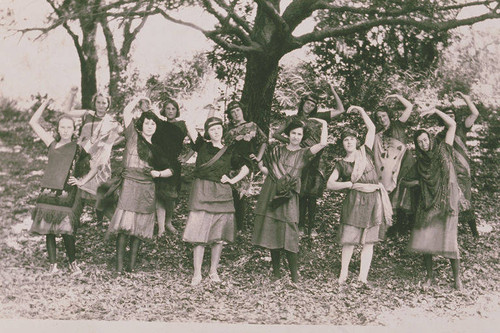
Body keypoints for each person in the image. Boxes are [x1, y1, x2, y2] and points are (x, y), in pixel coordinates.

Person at [253, 117, 329, 283]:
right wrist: (260, 166)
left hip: (289, 195)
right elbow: (269, 171)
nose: (296, 136)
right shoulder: (277, 150)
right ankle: (276, 273)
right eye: (293, 133)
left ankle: (294, 275)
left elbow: (323, 144)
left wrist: (323, 123)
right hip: (273, 191)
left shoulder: (304, 153)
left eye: (299, 134)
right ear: (288, 134)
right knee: (273, 229)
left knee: (290, 230)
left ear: (303, 136)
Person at [326, 106, 392, 285]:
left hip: (373, 199)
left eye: (352, 139)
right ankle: (344, 274)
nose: (349, 142)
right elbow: (330, 184)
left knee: (369, 241)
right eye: (345, 140)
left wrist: (361, 110)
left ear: (356, 141)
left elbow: (371, 129)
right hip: (355, 201)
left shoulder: (365, 152)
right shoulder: (342, 163)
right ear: (342, 143)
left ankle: (363, 277)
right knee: (349, 239)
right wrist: (347, 184)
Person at [182, 113, 250, 286]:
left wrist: (232, 180)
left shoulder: (229, 151)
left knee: (218, 237)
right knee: (199, 234)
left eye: (218, 128)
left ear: (223, 130)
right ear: (207, 132)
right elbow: (188, 126)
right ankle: (197, 273)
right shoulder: (202, 146)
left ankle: (213, 271)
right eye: (212, 129)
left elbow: (246, 167)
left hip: (222, 194)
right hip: (202, 191)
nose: (216, 132)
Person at [106, 108, 175, 273]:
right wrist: (140, 98)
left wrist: (158, 173)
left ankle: (131, 267)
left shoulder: (157, 148)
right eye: (147, 123)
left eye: (153, 124)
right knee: (124, 227)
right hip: (129, 185)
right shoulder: (132, 136)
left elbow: (172, 170)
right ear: (141, 124)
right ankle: (119, 267)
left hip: (147, 188)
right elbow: (126, 112)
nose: (150, 126)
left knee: (138, 230)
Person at [273, 85, 344, 236]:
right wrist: (291, 144)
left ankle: (310, 228)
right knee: (300, 192)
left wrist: (332, 90)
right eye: (307, 103)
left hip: (318, 159)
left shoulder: (319, 117)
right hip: (300, 158)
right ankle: (299, 225)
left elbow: (340, 110)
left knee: (313, 193)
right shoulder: (293, 119)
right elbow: (276, 134)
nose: (309, 106)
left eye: (312, 105)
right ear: (302, 102)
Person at [29, 99, 87, 274]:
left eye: (69, 127)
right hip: (48, 191)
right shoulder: (51, 143)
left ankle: (72, 263)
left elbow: (92, 165)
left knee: (66, 230)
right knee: (49, 229)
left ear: (74, 130)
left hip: (67, 193)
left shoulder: (78, 148)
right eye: (62, 127)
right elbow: (33, 122)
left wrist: (81, 181)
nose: (65, 130)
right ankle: (53, 265)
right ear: (58, 129)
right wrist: (45, 103)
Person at [409, 107, 462, 290]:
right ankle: (430, 277)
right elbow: (405, 182)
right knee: (426, 239)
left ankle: (457, 279)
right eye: (419, 142)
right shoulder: (419, 162)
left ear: (430, 139)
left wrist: (436, 110)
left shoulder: (444, 148)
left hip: (447, 201)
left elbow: (452, 124)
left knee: (449, 239)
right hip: (428, 202)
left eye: (425, 140)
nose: (423, 144)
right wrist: (420, 184)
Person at [62, 87, 122, 221]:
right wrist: (72, 94)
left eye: (104, 103)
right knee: (76, 188)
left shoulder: (112, 122)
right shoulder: (87, 114)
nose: (101, 105)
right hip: (81, 157)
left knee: (100, 192)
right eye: (98, 102)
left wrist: (110, 144)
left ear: (108, 104)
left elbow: (123, 135)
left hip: (98, 160)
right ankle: (72, 219)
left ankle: (106, 220)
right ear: (94, 103)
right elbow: (67, 111)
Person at [372, 94, 418, 236]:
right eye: (379, 118)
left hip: (405, 162)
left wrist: (397, 96)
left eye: (384, 116)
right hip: (390, 167)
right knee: (393, 193)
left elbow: (409, 106)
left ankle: (408, 224)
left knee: (406, 191)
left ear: (388, 115)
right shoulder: (379, 135)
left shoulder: (399, 124)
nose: (382, 119)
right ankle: (394, 226)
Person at [436, 92, 479, 237]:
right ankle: (449, 230)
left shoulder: (461, 128)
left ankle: (474, 231)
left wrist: (466, 99)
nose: (450, 117)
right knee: (450, 198)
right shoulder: (439, 136)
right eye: (447, 115)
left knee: (466, 198)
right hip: (448, 171)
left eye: (452, 114)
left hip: (462, 170)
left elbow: (475, 113)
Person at [223, 100, 268, 231]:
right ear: (230, 115)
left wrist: (258, 157)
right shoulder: (228, 129)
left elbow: (263, 140)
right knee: (229, 192)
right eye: (232, 112)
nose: (236, 114)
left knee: (240, 193)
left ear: (242, 111)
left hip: (246, 165)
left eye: (237, 110)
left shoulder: (252, 126)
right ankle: (228, 225)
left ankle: (239, 227)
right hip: (230, 163)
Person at [152, 97, 194, 235]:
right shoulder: (158, 124)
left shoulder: (182, 125)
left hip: (174, 163)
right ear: (164, 110)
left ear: (177, 111)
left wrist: (186, 158)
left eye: (173, 109)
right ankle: (161, 227)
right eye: (168, 108)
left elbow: (196, 143)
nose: (170, 111)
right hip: (158, 162)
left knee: (171, 196)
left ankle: (168, 221)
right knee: (159, 194)